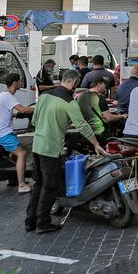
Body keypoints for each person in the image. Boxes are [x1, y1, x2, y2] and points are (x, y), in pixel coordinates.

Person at [26, 70, 107, 234]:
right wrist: (96, 144)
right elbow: (82, 125)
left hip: (38, 145)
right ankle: (43, 223)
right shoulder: (69, 102)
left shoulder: (44, 96)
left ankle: (30, 222)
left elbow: (34, 121)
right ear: (74, 83)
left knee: (38, 185)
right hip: (52, 149)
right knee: (49, 187)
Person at [0, 73, 34, 193]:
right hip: (2, 133)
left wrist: (10, 114)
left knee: (14, 153)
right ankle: (22, 185)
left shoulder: (0, 96)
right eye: (19, 81)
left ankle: (13, 178)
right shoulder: (8, 96)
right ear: (14, 83)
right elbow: (24, 109)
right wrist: (41, 107)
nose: (21, 83)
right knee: (22, 153)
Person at [76, 77, 127, 141]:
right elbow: (109, 118)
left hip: (83, 131)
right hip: (98, 133)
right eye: (104, 84)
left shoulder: (80, 96)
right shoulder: (100, 98)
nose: (105, 86)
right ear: (99, 84)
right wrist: (122, 116)